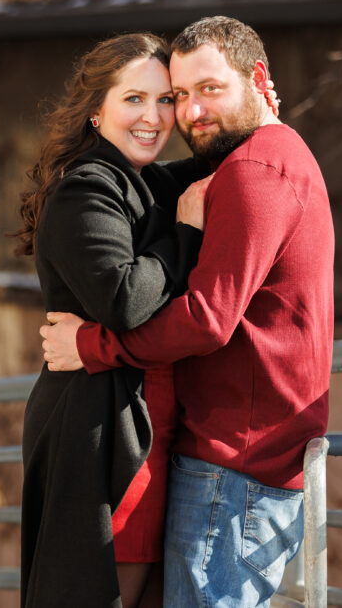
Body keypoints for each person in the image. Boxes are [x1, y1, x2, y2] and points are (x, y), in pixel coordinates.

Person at [41, 16, 335, 608]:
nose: (185, 113)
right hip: (198, 452)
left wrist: (92, 346)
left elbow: (205, 318)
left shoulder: (252, 169)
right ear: (95, 111)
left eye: (208, 90)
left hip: (234, 464)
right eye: (178, 97)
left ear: (257, 79)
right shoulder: (252, 158)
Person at [13, 32, 216, 608]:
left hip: (136, 431)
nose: (153, 117)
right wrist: (187, 235)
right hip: (99, 439)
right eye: (133, 99)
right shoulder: (87, 188)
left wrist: (259, 113)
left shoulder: (142, 181)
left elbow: (222, 159)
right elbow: (125, 299)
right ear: (96, 112)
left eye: (165, 100)